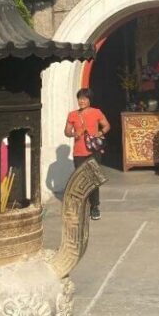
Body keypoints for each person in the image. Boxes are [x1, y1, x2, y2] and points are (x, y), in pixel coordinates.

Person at [64, 88, 110, 220]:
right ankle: (81, 206)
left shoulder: (96, 112)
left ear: (90, 100)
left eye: (85, 98)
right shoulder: (72, 115)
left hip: (93, 151)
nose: (82, 101)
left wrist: (99, 133)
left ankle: (95, 207)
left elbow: (106, 126)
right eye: (80, 98)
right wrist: (74, 134)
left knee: (94, 180)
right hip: (78, 152)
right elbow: (66, 132)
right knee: (80, 181)